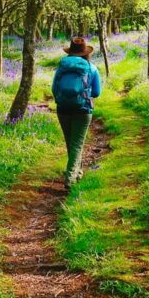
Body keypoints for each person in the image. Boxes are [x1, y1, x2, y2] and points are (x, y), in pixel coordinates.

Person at [51, 36, 102, 188]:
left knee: (70, 143)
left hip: (63, 109)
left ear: (70, 51)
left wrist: (63, 99)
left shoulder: (62, 67)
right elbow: (97, 92)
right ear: (86, 52)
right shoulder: (91, 68)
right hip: (83, 110)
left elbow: (54, 88)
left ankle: (77, 172)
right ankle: (71, 178)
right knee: (77, 144)